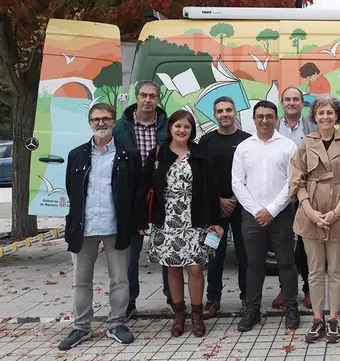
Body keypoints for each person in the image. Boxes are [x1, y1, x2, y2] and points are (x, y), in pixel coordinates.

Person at [58, 103, 142, 351]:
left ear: (114, 122)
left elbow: (136, 190)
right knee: (80, 280)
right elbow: (72, 190)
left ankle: (116, 323)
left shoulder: (128, 154)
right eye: (96, 119)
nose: (101, 123)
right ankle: (81, 327)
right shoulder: (77, 154)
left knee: (120, 279)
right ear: (89, 123)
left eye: (106, 119)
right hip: (83, 227)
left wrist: (135, 222)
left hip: (115, 225)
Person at [136, 110, 223, 338]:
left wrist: (216, 221)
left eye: (186, 127)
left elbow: (212, 190)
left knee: (195, 268)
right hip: (166, 222)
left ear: (192, 130)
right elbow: (144, 187)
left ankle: (196, 314)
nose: (182, 130)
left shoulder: (200, 156)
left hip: (194, 221)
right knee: (172, 267)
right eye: (178, 127)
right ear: (170, 129)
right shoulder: (157, 154)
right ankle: (179, 314)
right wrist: (140, 219)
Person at [290, 97, 340, 344]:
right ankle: (317, 319)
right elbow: (296, 179)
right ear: (314, 116)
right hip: (310, 214)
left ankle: (333, 320)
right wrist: (310, 211)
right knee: (314, 270)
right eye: (321, 113)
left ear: (337, 115)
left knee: (336, 270)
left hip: (339, 214)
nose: (325, 117)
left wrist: (337, 211)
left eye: (329, 112)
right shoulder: (305, 143)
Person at [233, 101, 300, 332]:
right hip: (252, 216)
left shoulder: (288, 146)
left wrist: (271, 210)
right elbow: (237, 182)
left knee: (286, 262)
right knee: (254, 264)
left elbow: (292, 182)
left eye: (269, 116)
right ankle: (252, 310)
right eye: (260, 116)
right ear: (254, 119)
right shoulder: (243, 147)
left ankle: (292, 308)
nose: (264, 120)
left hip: (281, 215)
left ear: (276, 118)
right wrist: (256, 210)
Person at [112, 80, 170, 318]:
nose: (148, 100)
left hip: (163, 194)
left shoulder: (168, 126)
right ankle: (130, 301)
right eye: (144, 95)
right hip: (132, 196)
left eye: (153, 96)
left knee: (169, 249)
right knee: (130, 255)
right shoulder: (121, 128)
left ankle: (173, 298)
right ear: (136, 97)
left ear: (158, 99)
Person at [199, 97, 251, 319]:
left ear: (235, 112)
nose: (225, 114)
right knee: (215, 255)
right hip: (215, 208)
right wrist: (219, 200)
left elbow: (253, 175)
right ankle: (213, 299)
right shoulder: (206, 141)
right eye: (220, 111)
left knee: (244, 255)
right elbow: (201, 177)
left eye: (229, 109)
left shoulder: (247, 141)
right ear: (215, 114)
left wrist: (235, 199)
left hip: (241, 207)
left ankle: (247, 299)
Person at [273, 86, 317, 310]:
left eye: (296, 99)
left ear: (302, 103)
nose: (292, 103)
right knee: (283, 244)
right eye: (287, 99)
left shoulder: (313, 127)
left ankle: (309, 290)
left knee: (305, 245)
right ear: (282, 103)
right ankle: (286, 289)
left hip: (305, 193)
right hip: (279, 192)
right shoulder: (273, 126)